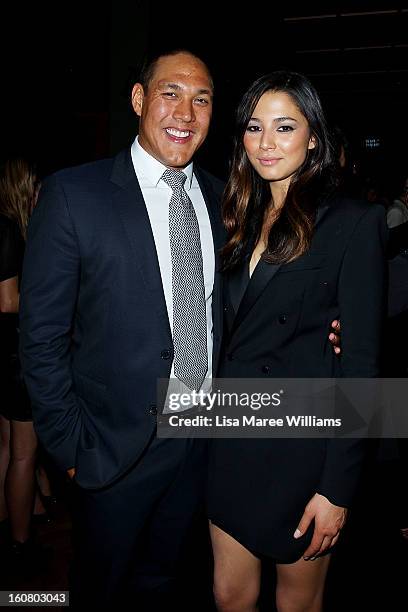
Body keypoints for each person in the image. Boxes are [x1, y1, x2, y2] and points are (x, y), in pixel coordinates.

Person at [19, 50, 340, 608]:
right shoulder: (75, 196)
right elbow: (40, 337)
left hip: (205, 447)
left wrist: (329, 326)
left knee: (172, 587)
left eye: (202, 99)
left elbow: (263, 304)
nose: (185, 112)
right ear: (140, 100)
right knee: (102, 588)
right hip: (111, 452)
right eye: (170, 93)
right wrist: (70, 447)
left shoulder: (230, 201)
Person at [207, 71, 386, 612]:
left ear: (314, 137)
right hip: (231, 435)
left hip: (301, 450)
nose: (266, 143)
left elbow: (362, 367)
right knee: (228, 594)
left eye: (284, 127)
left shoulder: (353, 223)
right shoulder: (232, 214)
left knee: (297, 605)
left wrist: (338, 489)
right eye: (254, 127)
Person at [0, 157, 52, 567]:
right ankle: (21, 541)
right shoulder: (10, 233)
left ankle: (11, 520)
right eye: (37, 187)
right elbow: (8, 301)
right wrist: (56, 297)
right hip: (19, 359)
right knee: (23, 455)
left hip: (7, 356)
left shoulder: (13, 230)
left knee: (7, 449)